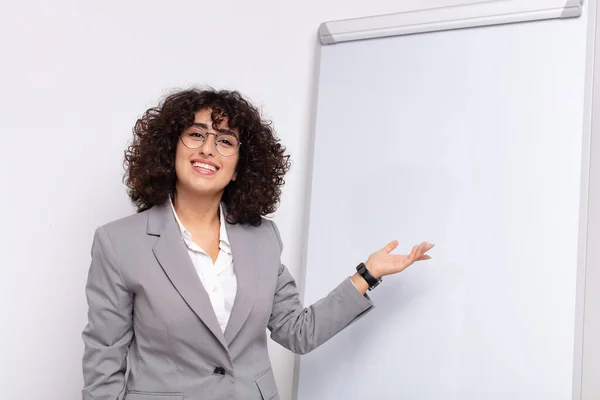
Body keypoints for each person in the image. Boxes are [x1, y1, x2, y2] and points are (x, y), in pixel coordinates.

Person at [81, 88, 434, 400]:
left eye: (224, 141)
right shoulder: (118, 243)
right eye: (195, 134)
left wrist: (368, 273)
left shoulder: (263, 237)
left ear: (238, 168)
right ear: (169, 150)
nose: (208, 148)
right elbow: (104, 360)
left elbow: (298, 332)